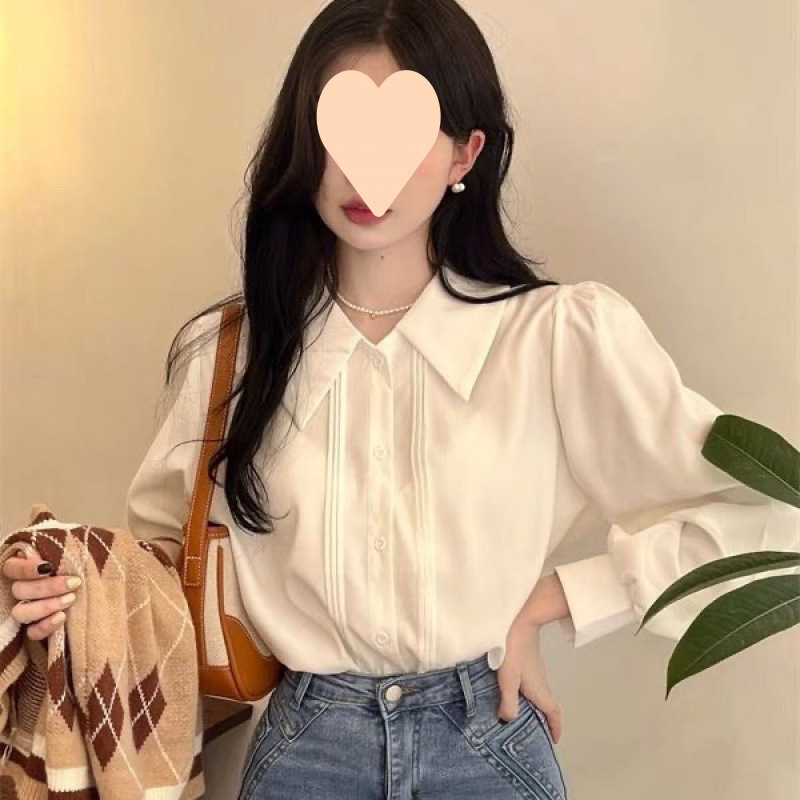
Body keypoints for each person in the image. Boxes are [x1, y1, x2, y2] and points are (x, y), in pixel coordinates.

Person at [5, 2, 796, 798]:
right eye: (340, 135)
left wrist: (556, 599)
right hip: (305, 754)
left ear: (465, 153)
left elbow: (769, 517)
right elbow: (161, 575)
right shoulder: (231, 355)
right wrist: (65, 584)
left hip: (486, 747)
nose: (366, 171)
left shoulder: (557, 338)